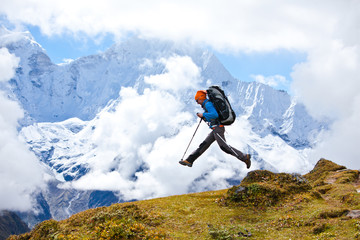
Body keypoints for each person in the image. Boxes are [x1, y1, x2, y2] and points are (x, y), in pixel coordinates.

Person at [179, 90, 251, 168]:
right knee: (204, 145)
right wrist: (204, 116)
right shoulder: (207, 104)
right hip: (215, 129)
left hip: (218, 128)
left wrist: (203, 114)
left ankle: (244, 157)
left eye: (197, 100)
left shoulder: (208, 104)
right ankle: (189, 160)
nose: (197, 102)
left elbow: (214, 115)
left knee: (224, 147)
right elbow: (212, 116)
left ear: (201, 98)